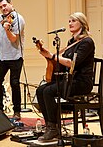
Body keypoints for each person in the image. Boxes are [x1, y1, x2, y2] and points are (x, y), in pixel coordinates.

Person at [36, 12, 95, 141]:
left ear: (82, 23)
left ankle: (53, 129)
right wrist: (48, 56)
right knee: (40, 90)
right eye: (69, 21)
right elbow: (63, 63)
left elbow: (72, 63)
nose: (70, 23)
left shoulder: (87, 42)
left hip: (81, 82)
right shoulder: (71, 42)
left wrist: (53, 56)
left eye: (73, 20)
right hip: (69, 80)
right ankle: (51, 126)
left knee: (48, 91)